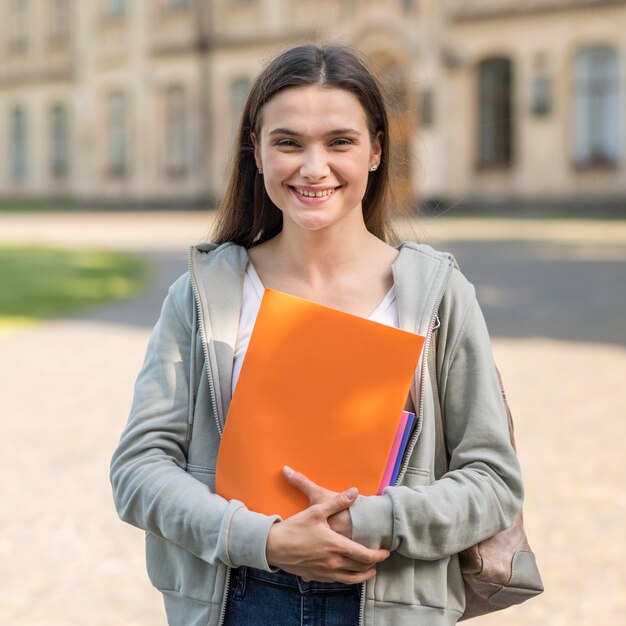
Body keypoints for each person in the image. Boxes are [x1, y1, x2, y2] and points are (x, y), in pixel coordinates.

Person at [110, 44, 523, 626]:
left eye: (339, 141)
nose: (313, 167)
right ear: (254, 152)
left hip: (390, 600)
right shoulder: (205, 293)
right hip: (241, 598)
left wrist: (365, 522)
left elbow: (493, 481)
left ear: (377, 151)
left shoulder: (437, 294)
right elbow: (138, 469)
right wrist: (266, 539)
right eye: (288, 142)